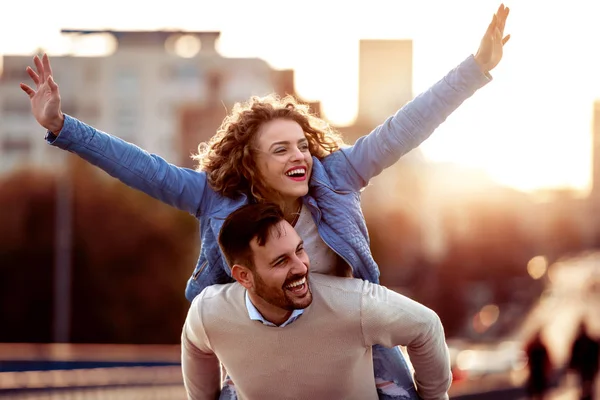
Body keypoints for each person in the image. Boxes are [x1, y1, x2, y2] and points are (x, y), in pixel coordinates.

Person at [19, 4, 510, 398]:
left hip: (344, 338)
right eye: (281, 150)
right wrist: (64, 128)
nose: (300, 157)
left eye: (302, 144)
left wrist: (476, 68)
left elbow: (406, 127)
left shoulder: (337, 175)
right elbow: (142, 168)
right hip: (263, 339)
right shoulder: (213, 197)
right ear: (251, 163)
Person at [182, 202, 452, 400]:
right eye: (281, 261)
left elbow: (426, 325)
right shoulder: (210, 311)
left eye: (300, 250)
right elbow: (195, 343)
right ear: (244, 277)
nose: (300, 267)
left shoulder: (353, 303)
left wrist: (434, 396)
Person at [568, 321, 600, 400]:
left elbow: (595, 355)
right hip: (582, 369)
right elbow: (573, 356)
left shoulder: (590, 342)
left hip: (589, 369)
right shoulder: (578, 342)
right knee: (583, 388)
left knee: (588, 388)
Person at [524, 330, 553, 400]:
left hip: (540, 373)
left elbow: (547, 361)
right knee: (535, 392)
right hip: (535, 372)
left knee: (539, 392)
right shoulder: (533, 347)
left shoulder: (541, 348)